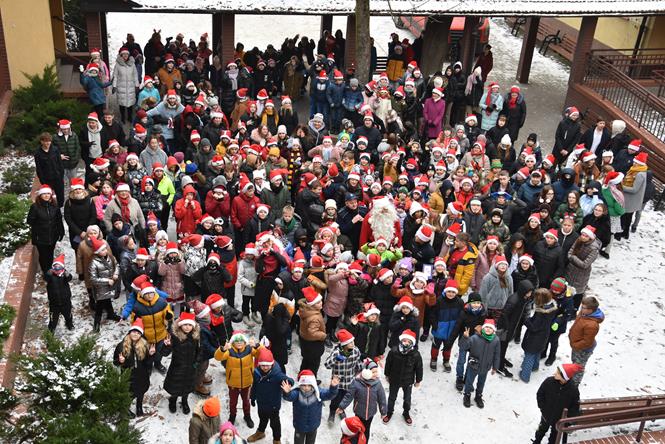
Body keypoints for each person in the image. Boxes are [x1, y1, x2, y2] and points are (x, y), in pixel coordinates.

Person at [214, 330, 262, 426]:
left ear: (245, 342)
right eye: (236, 341)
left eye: (241, 341)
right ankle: (232, 416)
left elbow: (260, 354)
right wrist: (223, 349)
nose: (239, 343)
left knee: (246, 401)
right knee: (233, 402)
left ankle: (247, 416)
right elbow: (217, 357)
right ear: (233, 342)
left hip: (247, 383)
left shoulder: (249, 349)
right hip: (233, 384)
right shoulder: (229, 351)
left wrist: (257, 346)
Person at [248, 348, 293, 443]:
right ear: (259, 364)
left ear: (272, 364)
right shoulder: (256, 372)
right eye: (263, 365)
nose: (265, 367)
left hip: (273, 405)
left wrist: (289, 384)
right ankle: (260, 432)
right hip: (261, 402)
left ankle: (277, 439)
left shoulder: (277, 374)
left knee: (274, 424)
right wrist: (253, 397)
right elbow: (255, 385)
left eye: (267, 365)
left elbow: (288, 380)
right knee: (262, 418)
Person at [282, 370, 340, 444]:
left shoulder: (318, 393)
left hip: (313, 426)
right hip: (299, 426)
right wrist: (287, 393)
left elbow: (329, 395)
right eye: (304, 385)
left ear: (313, 384)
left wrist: (333, 388)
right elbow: (289, 397)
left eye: (309, 385)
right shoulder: (297, 393)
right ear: (300, 384)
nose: (306, 388)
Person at [113, 319, 155, 417]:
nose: (135, 334)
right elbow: (115, 362)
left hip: (142, 375)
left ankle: (139, 406)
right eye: (134, 332)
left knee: (141, 391)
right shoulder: (121, 346)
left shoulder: (144, 345)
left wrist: (151, 355)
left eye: (138, 333)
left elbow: (147, 363)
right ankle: (125, 408)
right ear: (130, 332)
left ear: (141, 334)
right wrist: (120, 361)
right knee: (130, 394)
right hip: (129, 375)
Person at [339, 361, 387, 443]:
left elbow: (382, 398)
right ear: (366, 372)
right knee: (358, 429)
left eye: (376, 371)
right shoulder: (357, 382)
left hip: (371, 413)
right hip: (359, 412)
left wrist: (383, 412)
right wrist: (341, 407)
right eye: (373, 372)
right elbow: (349, 395)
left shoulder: (378, 384)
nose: (375, 374)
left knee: (366, 430)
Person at [534, 364, 582, 444]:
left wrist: (566, 419)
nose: (554, 373)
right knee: (541, 430)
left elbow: (575, 406)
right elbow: (540, 394)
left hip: (559, 420)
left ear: (564, 377)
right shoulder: (549, 381)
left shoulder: (573, 390)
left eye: (558, 373)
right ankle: (537, 441)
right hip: (546, 415)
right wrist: (542, 407)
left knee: (555, 435)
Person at [163, 311, 201, 415]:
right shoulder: (175, 337)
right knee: (175, 386)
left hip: (190, 367)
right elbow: (165, 353)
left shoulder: (195, 337)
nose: (187, 327)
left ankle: (184, 401)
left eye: (190, 325)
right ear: (180, 325)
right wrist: (167, 346)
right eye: (185, 324)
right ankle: (173, 400)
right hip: (177, 367)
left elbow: (199, 350)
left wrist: (196, 362)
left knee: (187, 386)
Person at [383, 329, 422, 425]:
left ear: (412, 343)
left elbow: (419, 368)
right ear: (401, 340)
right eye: (404, 340)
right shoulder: (394, 351)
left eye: (409, 341)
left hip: (408, 381)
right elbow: (388, 363)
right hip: (394, 379)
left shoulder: (415, 355)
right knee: (392, 397)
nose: (406, 343)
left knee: (407, 398)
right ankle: (389, 412)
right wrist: (387, 374)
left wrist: (418, 380)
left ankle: (406, 412)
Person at [323, 329, 363, 424]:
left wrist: (362, 369)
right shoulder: (336, 352)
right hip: (338, 382)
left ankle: (341, 409)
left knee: (344, 397)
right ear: (344, 344)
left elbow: (358, 363)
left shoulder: (356, 351)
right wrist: (336, 359)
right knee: (335, 397)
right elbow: (327, 365)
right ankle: (332, 411)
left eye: (353, 341)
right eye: (350, 342)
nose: (353, 344)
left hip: (349, 380)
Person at [459, 319, 501, 408]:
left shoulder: (496, 340)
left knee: (481, 382)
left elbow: (497, 355)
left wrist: (495, 367)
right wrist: (465, 337)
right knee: (469, 381)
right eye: (486, 327)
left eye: (490, 328)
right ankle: (467, 395)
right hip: (473, 366)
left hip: (485, 367)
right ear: (483, 328)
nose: (488, 329)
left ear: (494, 330)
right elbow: (463, 347)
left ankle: (478, 396)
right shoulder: (475, 338)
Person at [519, 288, 557, 383]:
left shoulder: (541, 314)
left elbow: (534, 327)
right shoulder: (550, 308)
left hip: (534, 339)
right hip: (543, 336)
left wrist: (526, 320)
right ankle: (535, 367)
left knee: (529, 355)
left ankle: (525, 376)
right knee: (537, 352)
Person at [27, 185, 65, 275]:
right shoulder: (35, 207)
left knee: (50, 254)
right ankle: (46, 272)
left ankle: (50, 269)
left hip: (52, 235)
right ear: (40, 195)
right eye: (44, 194)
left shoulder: (54, 206)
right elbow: (30, 221)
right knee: (43, 256)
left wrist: (61, 232)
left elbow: (59, 220)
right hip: (40, 237)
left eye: (48, 193)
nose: (46, 195)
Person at [568, 296, 604, 386]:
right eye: (582, 306)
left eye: (584, 308)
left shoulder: (592, 325)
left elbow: (587, 342)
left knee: (579, 366)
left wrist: (575, 345)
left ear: (591, 310)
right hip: (576, 345)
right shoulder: (583, 313)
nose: (581, 309)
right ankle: (573, 376)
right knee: (575, 362)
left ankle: (574, 384)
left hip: (583, 349)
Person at [88, 236, 121, 331]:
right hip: (101, 289)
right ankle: (96, 324)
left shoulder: (110, 257)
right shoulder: (93, 263)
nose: (105, 251)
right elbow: (93, 279)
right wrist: (107, 281)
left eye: (105, 249)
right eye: (102, 250)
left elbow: (116, 265)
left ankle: (111, 314)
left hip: (110, 286)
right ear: (97, 252)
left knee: (108, 300)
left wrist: (116, 274)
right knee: (100, 305)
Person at [45, 254, 73, 332]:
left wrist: (67, 274)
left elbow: (69, 278)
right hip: (54, 303)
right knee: (53, 318)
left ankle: (69, 324)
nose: (57, 270)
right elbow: (46, 278)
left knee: (68, 315)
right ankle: (51, 329)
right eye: (55, 267)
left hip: (65, 302)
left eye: (59, 268)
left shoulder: (64, 275)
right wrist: (48, 274)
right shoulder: (50, 276)